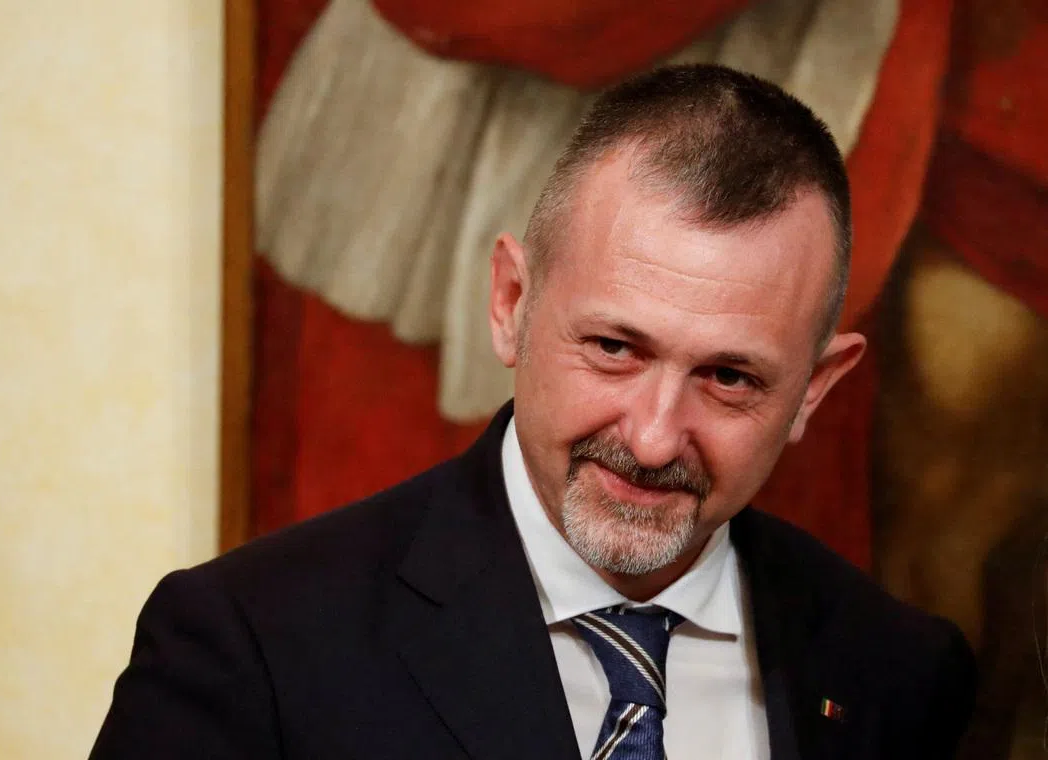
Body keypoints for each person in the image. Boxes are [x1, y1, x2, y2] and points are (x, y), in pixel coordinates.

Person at [90, 64, 975, 759]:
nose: (654, 435)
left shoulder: (896, 671)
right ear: (512, 301)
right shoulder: (253, 646)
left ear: (813, 391)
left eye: (730, 379)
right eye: (615, 349)